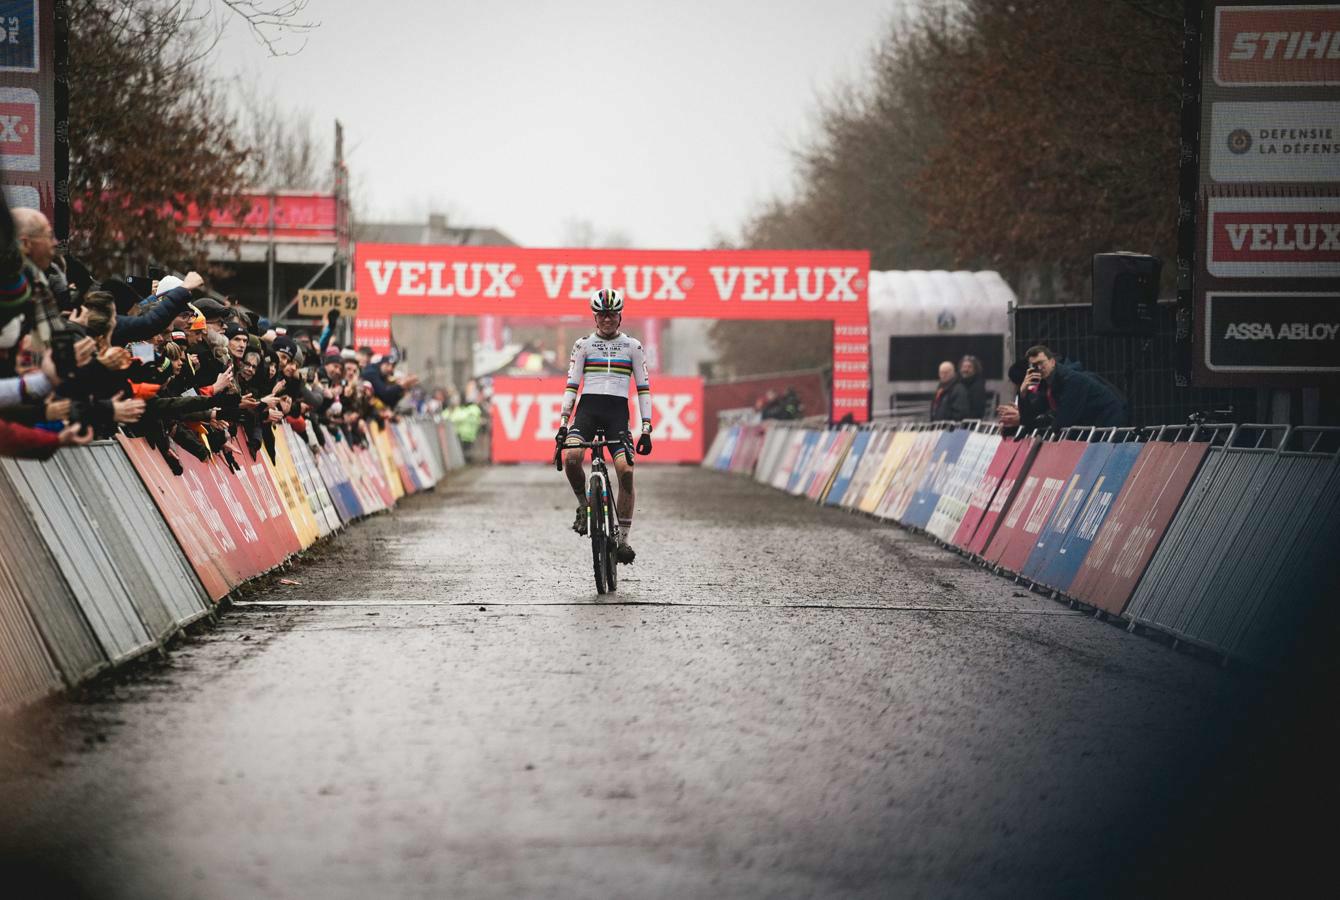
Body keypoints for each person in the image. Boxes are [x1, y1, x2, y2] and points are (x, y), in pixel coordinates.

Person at [554, 288, 653, 565]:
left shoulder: (632, 346)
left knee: (626, 472)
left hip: (616, 415)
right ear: (595, 317)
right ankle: (584, 508)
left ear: (619, 316)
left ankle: (622, 540)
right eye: (602, 314)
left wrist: (646, 427)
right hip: (587, 411)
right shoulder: (583, 345)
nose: (607, 319)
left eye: (612, 314)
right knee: (571, 457)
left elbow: (643, 388)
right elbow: (572, 385)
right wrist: (564, 421)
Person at [996, 344, 1126, 430]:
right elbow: (1029, 418)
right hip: (1099, 428)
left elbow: (1062, 423)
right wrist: (1023, 393)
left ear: (1052, 362)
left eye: (1041, 363)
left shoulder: (1071, 380)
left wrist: (1025, 420)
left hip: (1109, 426)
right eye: (1034, 366)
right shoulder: (1048, 384)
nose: (1039, 368)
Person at [958, 354, 988, 419]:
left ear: (975, 369)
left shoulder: (978, 387)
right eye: (964, 367)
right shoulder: (958, 384)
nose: (966, 370)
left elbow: (977, 410)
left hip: (969, 424)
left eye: (969, 367)